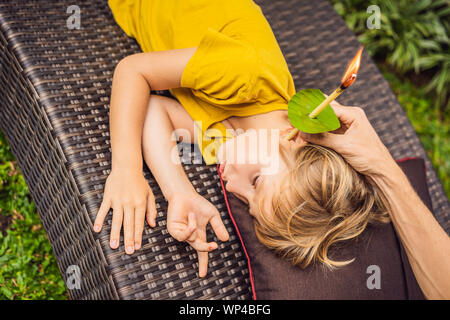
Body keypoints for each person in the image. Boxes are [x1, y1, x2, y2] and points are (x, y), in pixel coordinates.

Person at [93, 0, 450, 299]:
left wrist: (179, 191)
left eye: (246, 202)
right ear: (294, 138)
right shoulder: (244, 72)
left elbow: (154, 110)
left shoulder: (232, 145)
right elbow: (133, 72)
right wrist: (126, 167)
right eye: (257, 181)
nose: (232, 189)